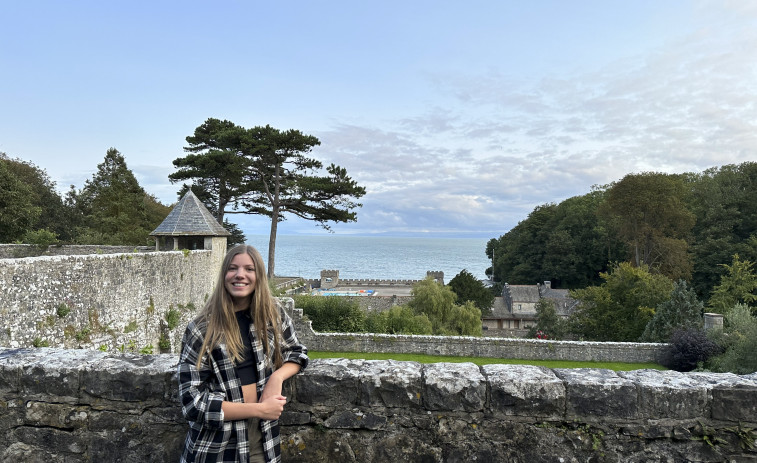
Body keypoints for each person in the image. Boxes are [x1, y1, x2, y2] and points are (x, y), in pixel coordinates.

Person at [178, 244, 308, 462]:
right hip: (215, 448)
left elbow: (297, 352)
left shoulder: (272, 315)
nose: (240, 275)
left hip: (263, 444)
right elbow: (192, 403)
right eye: (232, 268)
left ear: (259, 275)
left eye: (249, 269)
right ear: (223, 275)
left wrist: (277, 377)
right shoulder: (201, 329)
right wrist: (258, 410)